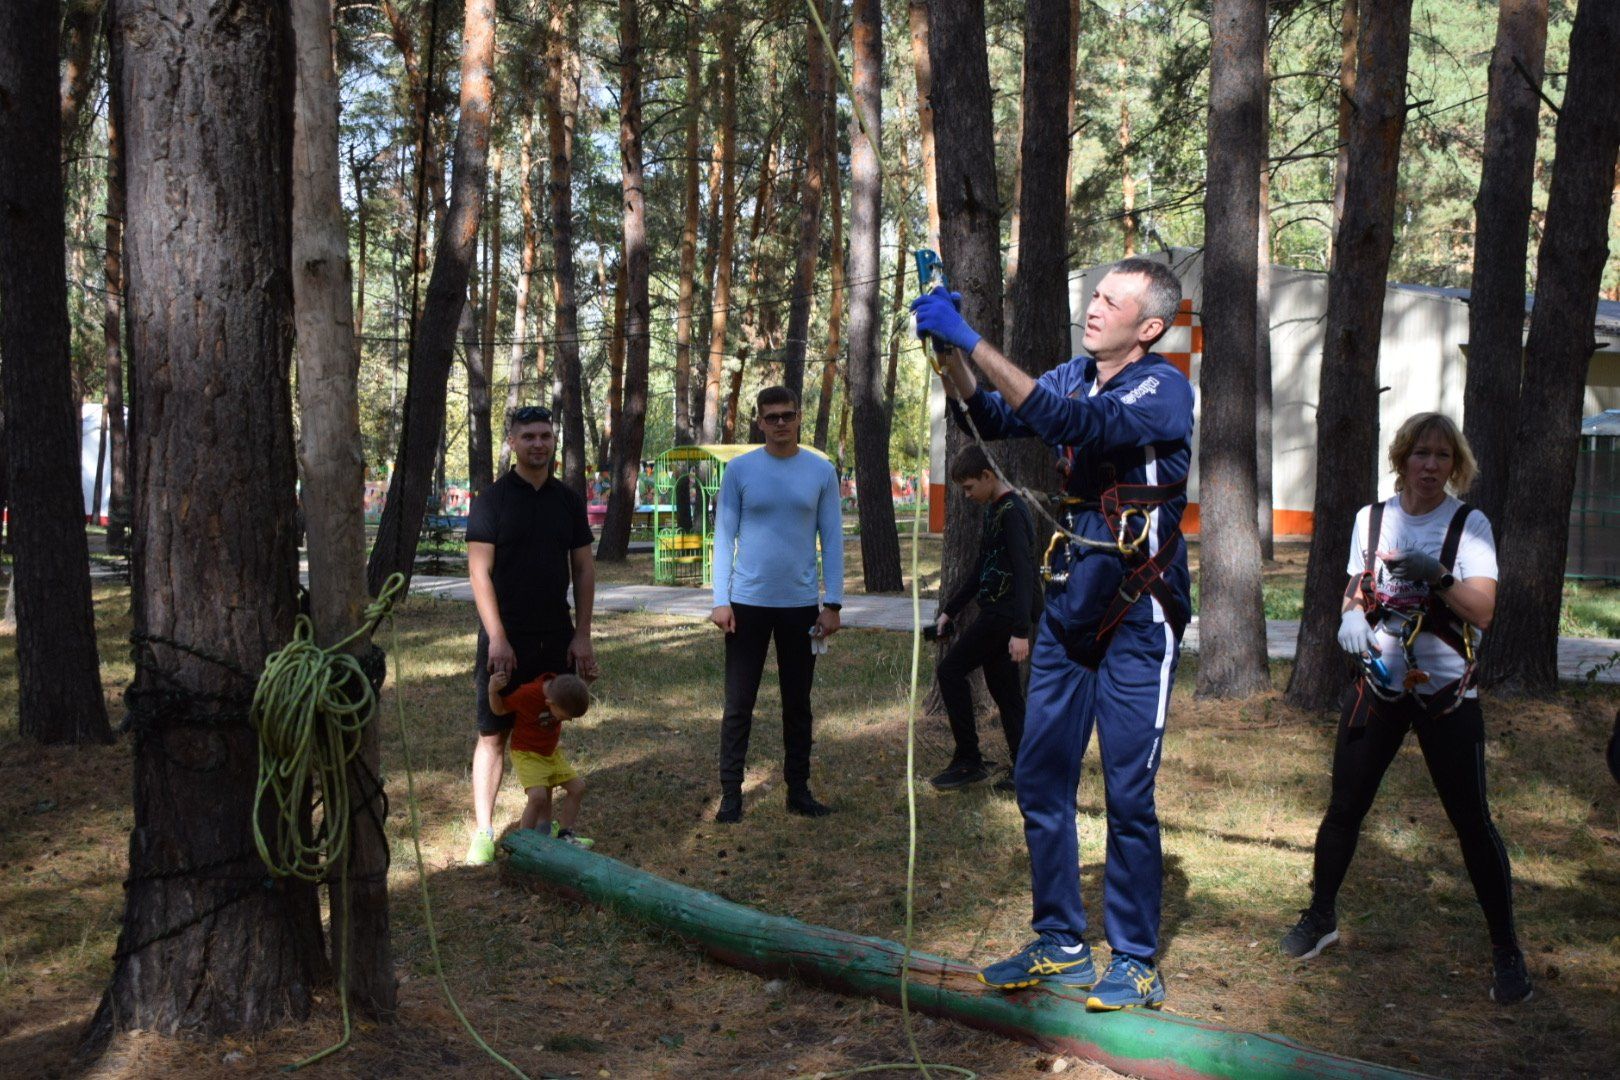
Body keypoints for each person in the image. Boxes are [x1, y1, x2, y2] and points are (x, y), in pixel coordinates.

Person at [912, 257, 1193, 1011]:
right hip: (1071, 609)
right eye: (1095, 294)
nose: (1094, 307)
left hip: (1139, 612)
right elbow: (998, 416)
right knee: (1040, 777)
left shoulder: (1163, 388)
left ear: (1151, 326)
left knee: (1129, 791)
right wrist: (948, 358)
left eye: (1113, 301)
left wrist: (970, 336)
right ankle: (1062, 942)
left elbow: (1074, 425)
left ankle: (1133, 956)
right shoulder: (1072, 372)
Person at [1281, 412, 1531, 1005]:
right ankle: (1321, 917)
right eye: (1420, 453)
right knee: (1344, 809)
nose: (1429, 466)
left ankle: (1506, 950)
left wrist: (1438, 575)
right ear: (1401, 457)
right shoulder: (1371, 519)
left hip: (1446, 696)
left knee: (1472, 823)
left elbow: (1484, 610)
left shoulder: (1469, 525)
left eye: (1442, 457)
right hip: (1379, 687)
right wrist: (1347, 614)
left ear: (1456, 466)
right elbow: (1357, 583)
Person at [463, 405, 598, 865]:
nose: (538, 443)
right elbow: (479, 572)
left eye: (545, 435)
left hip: (554, 634)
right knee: (494, 732)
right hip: (507, 637)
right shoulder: (493, 500)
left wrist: (582, 635)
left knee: (546, 724)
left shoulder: (568, 500)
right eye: (528, 436)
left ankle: (544, 832)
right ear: (512, 442)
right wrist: (497, 637)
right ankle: (483, 831)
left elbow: (582, 568)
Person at [710, 386, 845, 823]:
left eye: (788, 415)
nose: (781, 423)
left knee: (797, 703)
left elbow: (834, 539)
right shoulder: (739, 470)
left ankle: (798, 790)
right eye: (772, 417)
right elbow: (723, 537)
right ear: (760, 421)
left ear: (799, 417)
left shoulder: (821, 471)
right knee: (738, 704)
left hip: (801, 606)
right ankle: (731, 794)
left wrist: (834, 604)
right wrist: (720, 600)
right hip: (747, 605)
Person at [930, 444, 1040, 794]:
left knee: (950, 671)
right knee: (1005, 691)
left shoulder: (1012, 512)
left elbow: (1025, 572)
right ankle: (1024, 767)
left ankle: (969, 760)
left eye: (968, 487)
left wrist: (1021, 630)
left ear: (987, 476)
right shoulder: (994, 509)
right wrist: (951, 608)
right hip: (997, 612)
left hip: (1004, 616)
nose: (967, 495)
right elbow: (981, 569)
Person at [487, 669, 594, 845]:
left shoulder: (561, 693)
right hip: (527, 754)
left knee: (578, 787)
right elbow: (500, 709)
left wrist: (586, 683)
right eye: (565, 717)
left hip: (551, 753)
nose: (567, 721)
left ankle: (565, 835)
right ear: (549, 703)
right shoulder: (527, 694)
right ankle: (523, 843)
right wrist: (493, 691)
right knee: (538, 797)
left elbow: (570, 700)